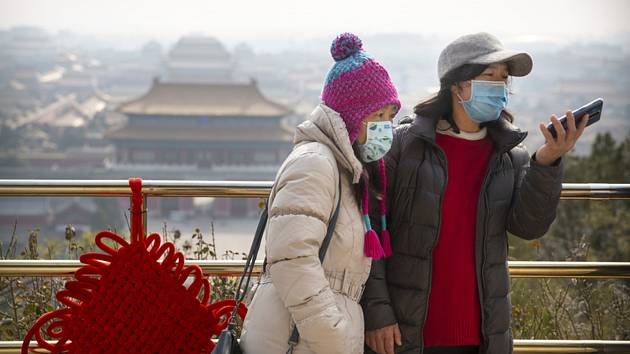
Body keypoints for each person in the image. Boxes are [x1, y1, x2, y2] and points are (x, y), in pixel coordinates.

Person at [361, 32, 587, 354]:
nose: (499, 85)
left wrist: (546, 161)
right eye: (488, 76)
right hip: (407, 332)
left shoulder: (510, 155)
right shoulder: (403, 147)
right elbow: (370, 229)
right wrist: (377, 313)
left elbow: (529, 227)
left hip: (482, 335)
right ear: (456, 85)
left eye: (504, 77)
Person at [240, 32, 401, 354]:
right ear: (352, 117)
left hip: (308, 336)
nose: (387, 128)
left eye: (389, 117)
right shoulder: (316, 163)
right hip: (298, 338)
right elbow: (292, 256)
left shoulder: (345, 166)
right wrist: (332, 335)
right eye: (377, 116)